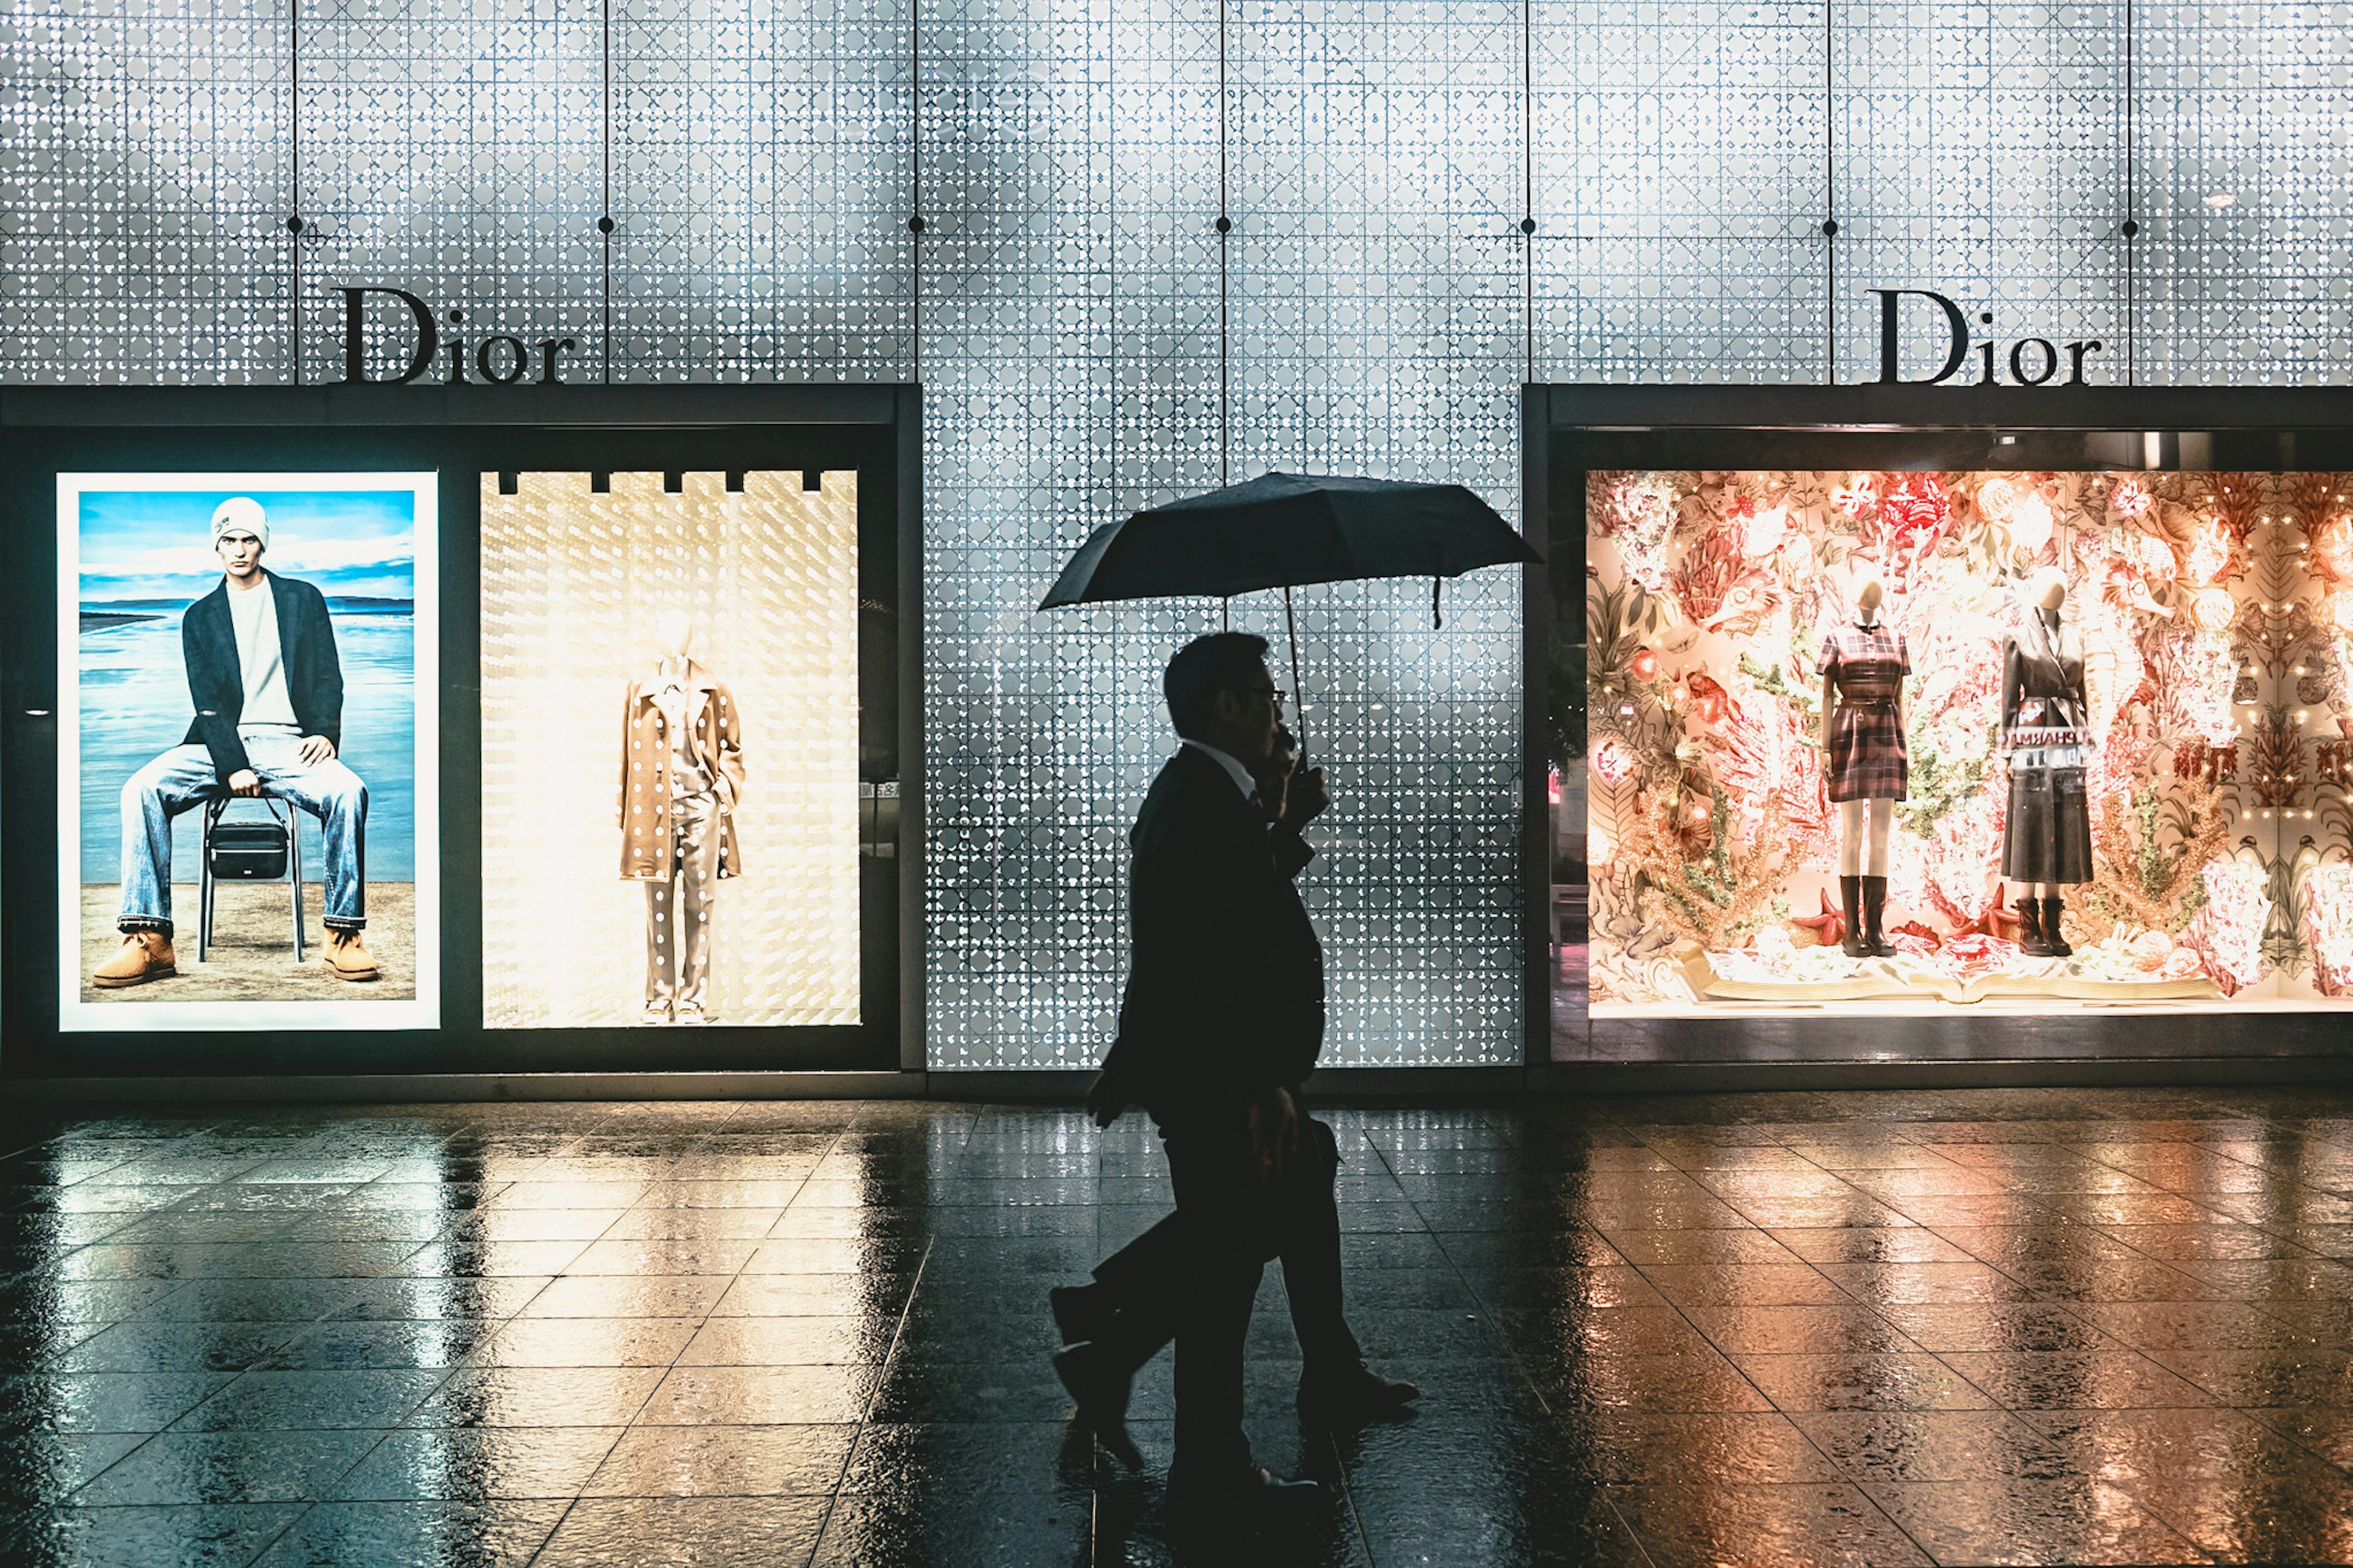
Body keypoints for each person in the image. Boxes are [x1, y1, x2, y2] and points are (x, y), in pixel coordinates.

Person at [1050, 632, 1416, 1519]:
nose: (1278, 709)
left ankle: (1114, 1340)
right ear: (1226, 704)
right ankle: (1197, 1449)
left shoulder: (1208, 796)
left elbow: (1224, 910)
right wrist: (1263, 1081)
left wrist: (1284, 823)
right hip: (1221, 1076)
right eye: (1265, 693)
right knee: (1228, 1260)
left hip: (1212, 1069)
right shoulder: (1202, 802)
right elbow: (1207, 957)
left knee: (1264, 1207)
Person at [92, 496, 377, 987]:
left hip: (291, 744)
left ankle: (343, 935)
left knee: (349, 792)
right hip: (217, 743)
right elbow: (207, 701)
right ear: (217, 547)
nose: (239, 549)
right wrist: (232, 764)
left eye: (248, 539)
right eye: (229, 540)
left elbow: (329, 675)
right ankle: (149, 940)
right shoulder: (199, 617)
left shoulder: (302, 599)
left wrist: (325, 733)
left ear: (262, 543)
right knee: (140, 788)